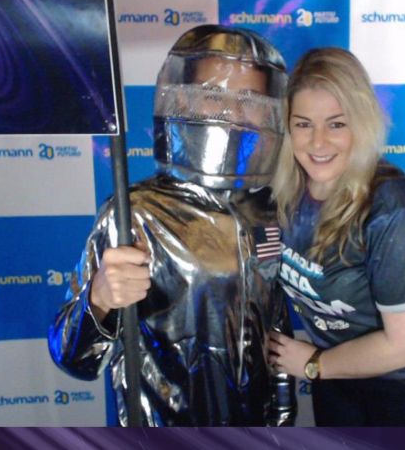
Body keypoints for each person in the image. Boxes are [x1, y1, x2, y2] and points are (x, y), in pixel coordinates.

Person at [48, 25, 296, 427]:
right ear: (182, 101)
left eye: (249, 99)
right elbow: (71, 357)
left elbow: (275, 331)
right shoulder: (135, 213)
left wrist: (283, 418)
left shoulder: (267, 210)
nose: (232, 114)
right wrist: (99, 298)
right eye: (214, 96)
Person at [266, 48, 405, 427]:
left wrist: (314, 364)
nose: (318, 142)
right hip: (338, 372)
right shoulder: (286, 188)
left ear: (361, 123)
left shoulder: (394, 211)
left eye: (336, 124)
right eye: (303, 124)